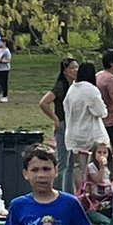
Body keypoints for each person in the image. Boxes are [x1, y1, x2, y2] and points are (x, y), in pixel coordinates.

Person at [63, 61, 109, 193]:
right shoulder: (91, 90)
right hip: (91, 135)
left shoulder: (72, 89)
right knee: (95, 166)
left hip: (73, 135)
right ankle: (95, 194)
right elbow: (100, 112)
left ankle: (80, 193)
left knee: (79, 169)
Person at [39, 57, 79, 193]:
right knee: (63, 162)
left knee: (71, 163)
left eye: (76, 67)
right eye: (72, 68)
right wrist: (55, 119)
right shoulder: (60, 86)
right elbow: (44, 102)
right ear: (65, 71)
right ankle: (56, 190)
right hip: (63, 124)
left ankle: (69, 192)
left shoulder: (76, 86)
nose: (75, 70)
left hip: (74, 125)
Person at [0, 36, 11, 102]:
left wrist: (1, 61)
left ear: (4, 43)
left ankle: (5, 96)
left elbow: (8, 60)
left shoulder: (7, 51)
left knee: (4, 83)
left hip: (5, 69)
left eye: (1, 42)